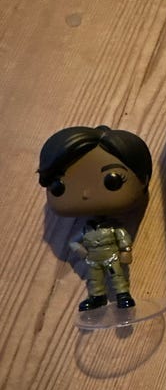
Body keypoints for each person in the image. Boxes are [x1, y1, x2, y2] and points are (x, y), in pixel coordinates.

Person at [38, 125, 152, 311]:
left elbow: (122, 237)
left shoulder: (113, 229)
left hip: (111, 255)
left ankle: (123, 294)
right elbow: (75, 242)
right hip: (93, 259)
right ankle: (97, 297)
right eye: (59, 185)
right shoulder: (87, 229)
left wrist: (125, 250)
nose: (85, 193)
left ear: (144, 180)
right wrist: (81, 251)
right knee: (95, 278)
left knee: (117, 275)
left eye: (112, 181)